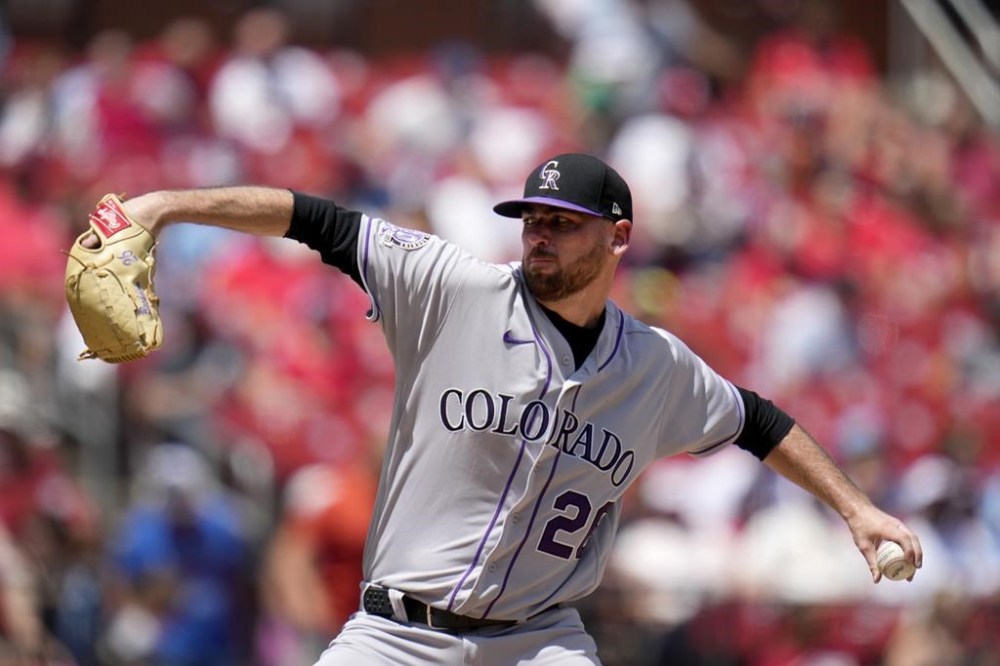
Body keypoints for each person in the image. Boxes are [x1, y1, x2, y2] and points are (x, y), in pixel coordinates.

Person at [85, 152, 923, 664]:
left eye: (564, 222)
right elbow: (317, 219)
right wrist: (163, 206)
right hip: (397, 635)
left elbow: (758, 421)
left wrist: (856, 508)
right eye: (532, 220)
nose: (540, 235)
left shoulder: (658, 368)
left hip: (538, 642)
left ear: (618, 238)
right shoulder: (453, 288)